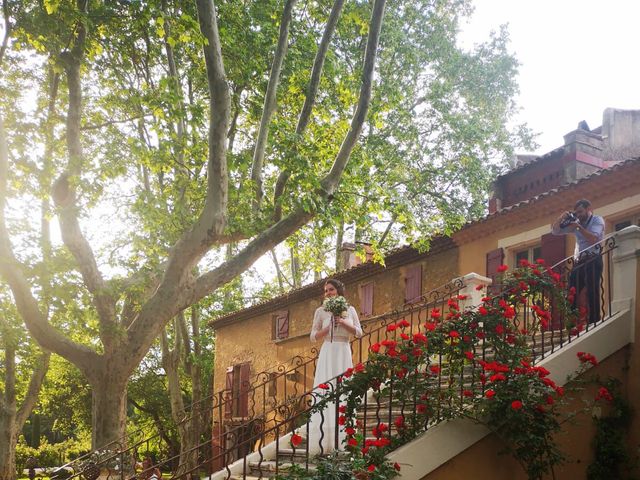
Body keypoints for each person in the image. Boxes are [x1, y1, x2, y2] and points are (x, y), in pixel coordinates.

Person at [307, 279, 362, 454]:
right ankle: (323, 440)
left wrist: (343, 322)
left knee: (343, 391)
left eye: (331, 289)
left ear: (338, 291)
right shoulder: (321, 311)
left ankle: (343, 438)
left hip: (343, 351)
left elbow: (359, 332)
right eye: (326, 290)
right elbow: (313, 336)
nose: (328, 292)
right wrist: (328, 326)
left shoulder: (350, 310)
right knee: (326, 390)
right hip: (328, 351)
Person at [551, 199, 605, 324]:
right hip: (580, 261)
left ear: (588, 209)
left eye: (580, 211)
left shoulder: (597, 220)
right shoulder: (576, 223)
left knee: (592, 290)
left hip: (593, 258)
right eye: (576, 213)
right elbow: (555, 231)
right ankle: (571, 323)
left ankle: (594, 321)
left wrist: (578, 227)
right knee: (572, 291)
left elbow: (593, 239)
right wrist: (561, 218)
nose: (578, 215)